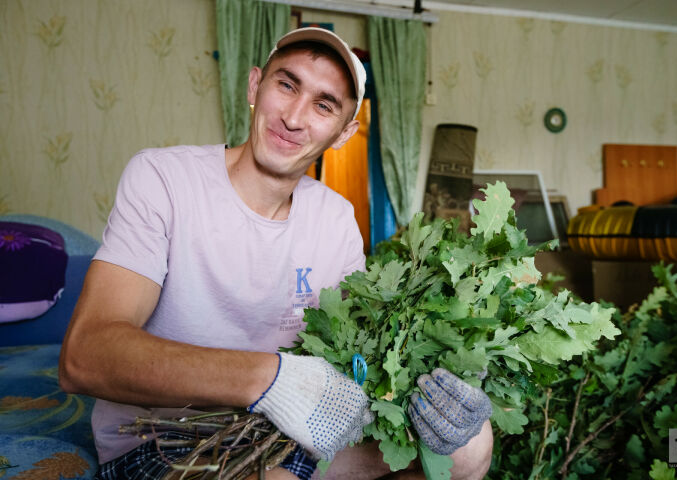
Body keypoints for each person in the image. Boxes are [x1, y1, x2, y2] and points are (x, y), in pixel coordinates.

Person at [59, 27, 494, 480]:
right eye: (286, 85)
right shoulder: (163, 179)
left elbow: (359, 363)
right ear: (254, 86)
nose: (294, 117)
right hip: (165, 442)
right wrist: (267, 378)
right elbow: (84, 356)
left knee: (471, 444)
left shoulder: (336, 218)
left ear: (344, 132)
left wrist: (444, 387)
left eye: (324, 105)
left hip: (286, 434)